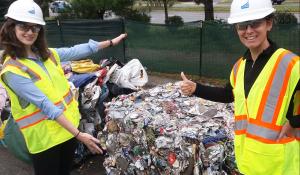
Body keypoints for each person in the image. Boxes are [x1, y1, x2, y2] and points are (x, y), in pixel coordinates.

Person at [0, 0, 127, 174]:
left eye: (35, 27)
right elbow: (45, 105)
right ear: (11, 27)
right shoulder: (13, 69)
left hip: (67, 131)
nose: (30, 32)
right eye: (24, 26)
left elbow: (76, 50)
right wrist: (79, 134)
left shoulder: (46, 55)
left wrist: (110, 42)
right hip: (46, 140)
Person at [180, 0, 299, 174]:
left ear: (269, 23)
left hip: (280, 165)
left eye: (255, 23)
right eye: (243, 25)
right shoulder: (240, 66)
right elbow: (228, 95)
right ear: (237, 29)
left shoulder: (290, 64)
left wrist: (295, 122)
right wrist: (196, 88)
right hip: (248, 163)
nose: (249, 30)